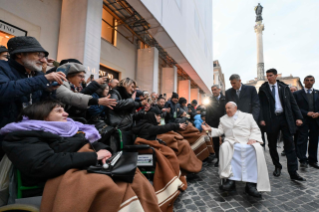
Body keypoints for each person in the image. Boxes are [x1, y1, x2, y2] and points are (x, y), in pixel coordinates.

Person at [0, 100, 161, 211]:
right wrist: (93, 157)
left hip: (81, 167)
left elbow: (96, 145)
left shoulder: (70, 128)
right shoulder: (22, 134)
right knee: (113, 187)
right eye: (59, 111)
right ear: (42, 116)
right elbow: (42, 163)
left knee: (133, 174)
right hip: (54, 179)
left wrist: (105, 153)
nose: (66, 114)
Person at [0, 36, 66, 159]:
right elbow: (4, 91)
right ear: (20, 54)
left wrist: (49, 91)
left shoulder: (37, 74)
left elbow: (43, 106)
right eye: (38, 55)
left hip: (29, 137)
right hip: (5, 137)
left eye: (43, 56)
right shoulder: (3, 67)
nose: (42, 60)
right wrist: (43, 79)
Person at [202, 102, 270, 197]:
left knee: (257, 148)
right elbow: (220, 131)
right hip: (232, 142)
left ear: (236, 108)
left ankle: (251, 184)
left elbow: (255, 129)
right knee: (225, 147)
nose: (227, 110)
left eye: (229, 108)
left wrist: (253, 138)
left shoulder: (248, 116)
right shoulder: (223, 119)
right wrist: (209, 130)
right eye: (226, 108)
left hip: (247, 141)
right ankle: (230, 180)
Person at [259, 68, 305, 181]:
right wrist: (261, 119)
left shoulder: (284, 88)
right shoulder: (263, 89)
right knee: (272, 145)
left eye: (270, 75)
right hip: (271, 119)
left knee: (290, 145)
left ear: (275, 76)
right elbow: (259, 105)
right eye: (267, 76)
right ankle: (277, 166)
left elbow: (293, 103)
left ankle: (293, 172)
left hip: (285, 118)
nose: (268, 77)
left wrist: (299, 117)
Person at [293, 75, 319, 169]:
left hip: (315, 120)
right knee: (302, 140)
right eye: (307, 80)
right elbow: (294, 107)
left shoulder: (317, 93)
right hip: (303, 120)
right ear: (304, 82)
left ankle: (312, 160)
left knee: (314, 140)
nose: (309, 82)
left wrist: (318, 113)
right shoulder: (297, 94)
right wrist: (306, 113)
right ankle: (303, 160)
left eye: (311, 80)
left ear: (314, 81)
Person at [205, 85, 226, 167]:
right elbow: (207, 112)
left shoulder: (225, 99)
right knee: (216, 143)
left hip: (224, 124)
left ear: (219, 89)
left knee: (225, 142)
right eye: (212, 90)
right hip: (213, 124)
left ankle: (226, 159)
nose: (214, 91)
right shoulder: (210, 100)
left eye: (215, 89)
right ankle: (218, 159)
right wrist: (208, 124)